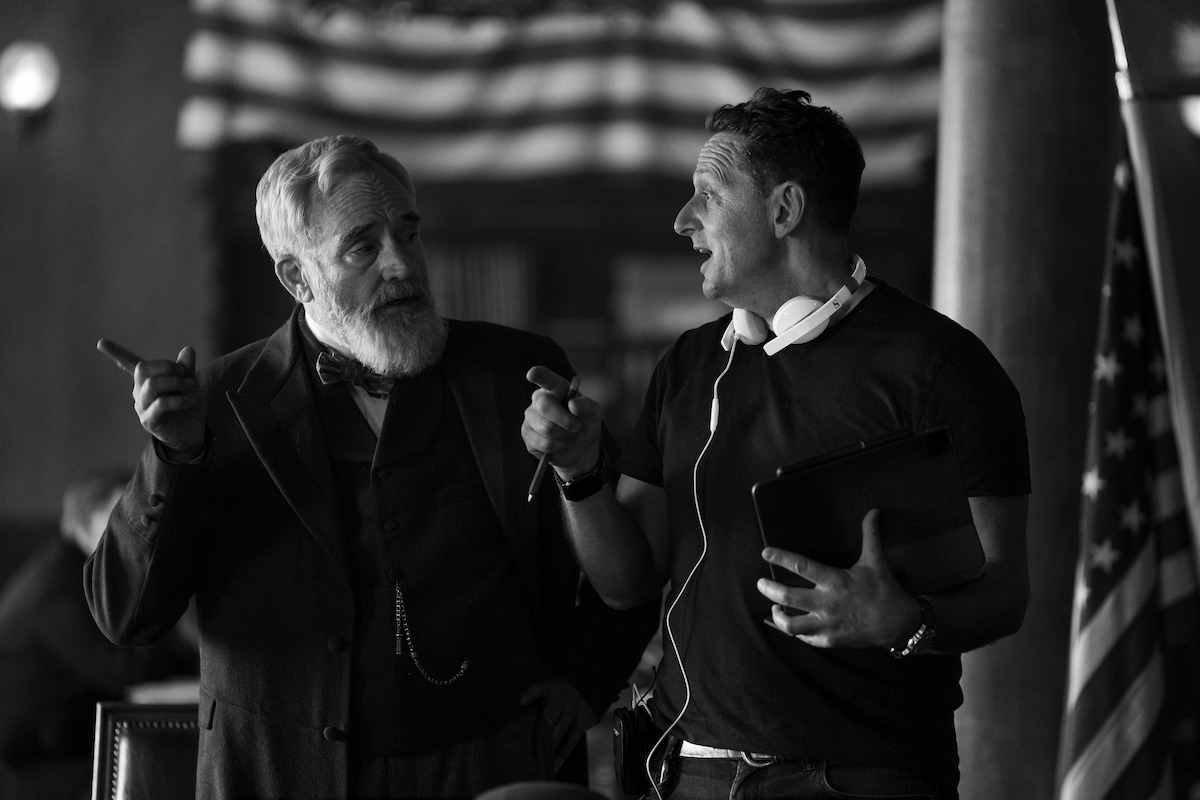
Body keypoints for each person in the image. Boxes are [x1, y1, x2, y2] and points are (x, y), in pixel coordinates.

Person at [85, 135, 659, 800]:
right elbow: (125, 617)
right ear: (298, 277)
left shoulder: (516, 373)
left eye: (408, 234)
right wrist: (174, 457)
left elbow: (633, 563)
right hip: (285, 773)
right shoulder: (217, 404)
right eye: (363, 246)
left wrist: (587, 683)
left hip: (496, 764)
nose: (401, 264)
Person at [521, 87, 1030, 799]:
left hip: (859, 777)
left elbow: (1006, 589)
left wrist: (907, 622)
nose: (682, 220)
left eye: (708, 194)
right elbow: (628, 581)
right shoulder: (690, 364)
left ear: (785, 210)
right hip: (686, 769)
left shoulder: (944, 369)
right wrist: (579, 473)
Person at [0, 468, 198, 800]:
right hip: (35, 766)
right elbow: (131, 671)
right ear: (85, 523)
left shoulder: (74, 575)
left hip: (68, 741)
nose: (138, 532)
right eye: (123, 517)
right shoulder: (53, 591)